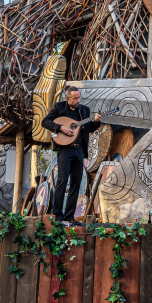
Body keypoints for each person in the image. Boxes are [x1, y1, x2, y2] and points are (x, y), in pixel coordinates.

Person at [41, 85, 101, 224]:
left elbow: (88, 129)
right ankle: (58, 215)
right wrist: (60, 127)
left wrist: (96, 122)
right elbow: (45, 122)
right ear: (67, 98)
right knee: (62, 181)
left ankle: (69, 216)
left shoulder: (84, 110)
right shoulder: (59, 107)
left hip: (79, 149)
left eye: (79, 97)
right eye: (75, 98)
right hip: (64, 149)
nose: (78, 100)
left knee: (76, 182)